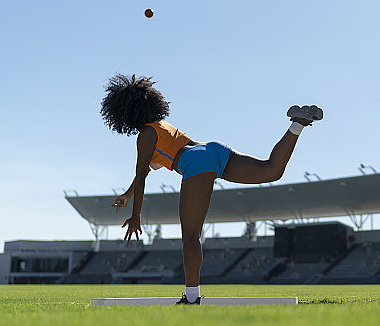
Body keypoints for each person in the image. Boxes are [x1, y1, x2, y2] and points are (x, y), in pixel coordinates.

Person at [100, 74, 322, 305]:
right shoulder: (162, 126)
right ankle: (298, 123)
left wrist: (136, 217)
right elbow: (147, 170)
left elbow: (141, 175)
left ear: (123, 114)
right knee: (271, 170)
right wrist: (128, 195)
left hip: (195, 162)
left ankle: (192, 299)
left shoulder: (145, 135)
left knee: (190, 236)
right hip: (212, 150)